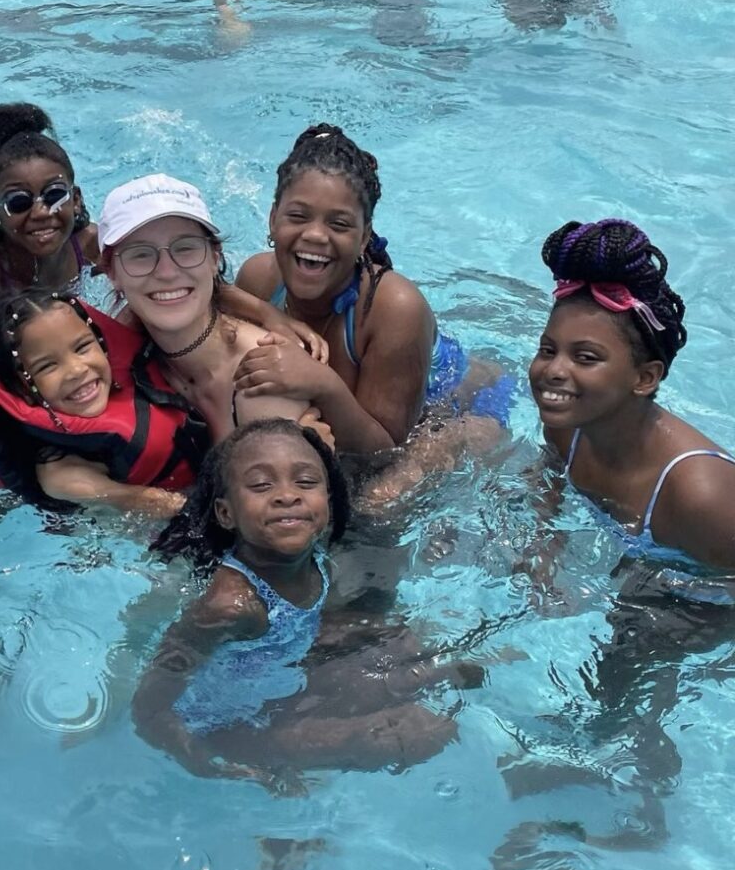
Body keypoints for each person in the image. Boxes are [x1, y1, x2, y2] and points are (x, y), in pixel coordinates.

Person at [132, 420, 469, 785]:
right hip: (227, 725)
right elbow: (151, 704)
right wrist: (198, 758)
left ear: (328, 500)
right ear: (225, 513)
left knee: (413, 654)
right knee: (406, 737)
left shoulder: (313, 558)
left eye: (306, 482)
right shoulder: (230, 606)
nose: (286, 495)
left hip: (277, 680)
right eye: (261, 485)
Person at [235, 124, 513, 454]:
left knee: (380, 500)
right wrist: (262, 311)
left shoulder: (396, 308)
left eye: (338, 224)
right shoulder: (258, 281)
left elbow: (386, 451)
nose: (315, 235)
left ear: (364, 236)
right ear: (272, 218)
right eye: (297, 216)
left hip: (458, 409)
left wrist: (321, 382)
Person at [531, 218, 735, 571]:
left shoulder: (701, 493)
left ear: (645, 377)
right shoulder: (567, 423)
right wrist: (543, 547)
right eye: (548, 350)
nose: (554, 371)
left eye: (585, 357)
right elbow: (549, 480)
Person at [99, 173, 316, 443]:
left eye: (185, 248)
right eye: (140, 254)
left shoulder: (264, 375)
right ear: (112, 272)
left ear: (215, 258)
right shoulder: (103, 366)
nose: (166, 272)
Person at [0, 289, 207, 515]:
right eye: (47, 366)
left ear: (102, 343)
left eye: (83, 347)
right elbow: (160, 505)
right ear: (22, 389)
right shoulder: (61, 473)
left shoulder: (134, 367)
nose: (76, 370)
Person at [0, 102, 100, 299]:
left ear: (76, 201)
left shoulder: (94, 245)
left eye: (54, 194)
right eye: (18, 202)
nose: (41, 212)